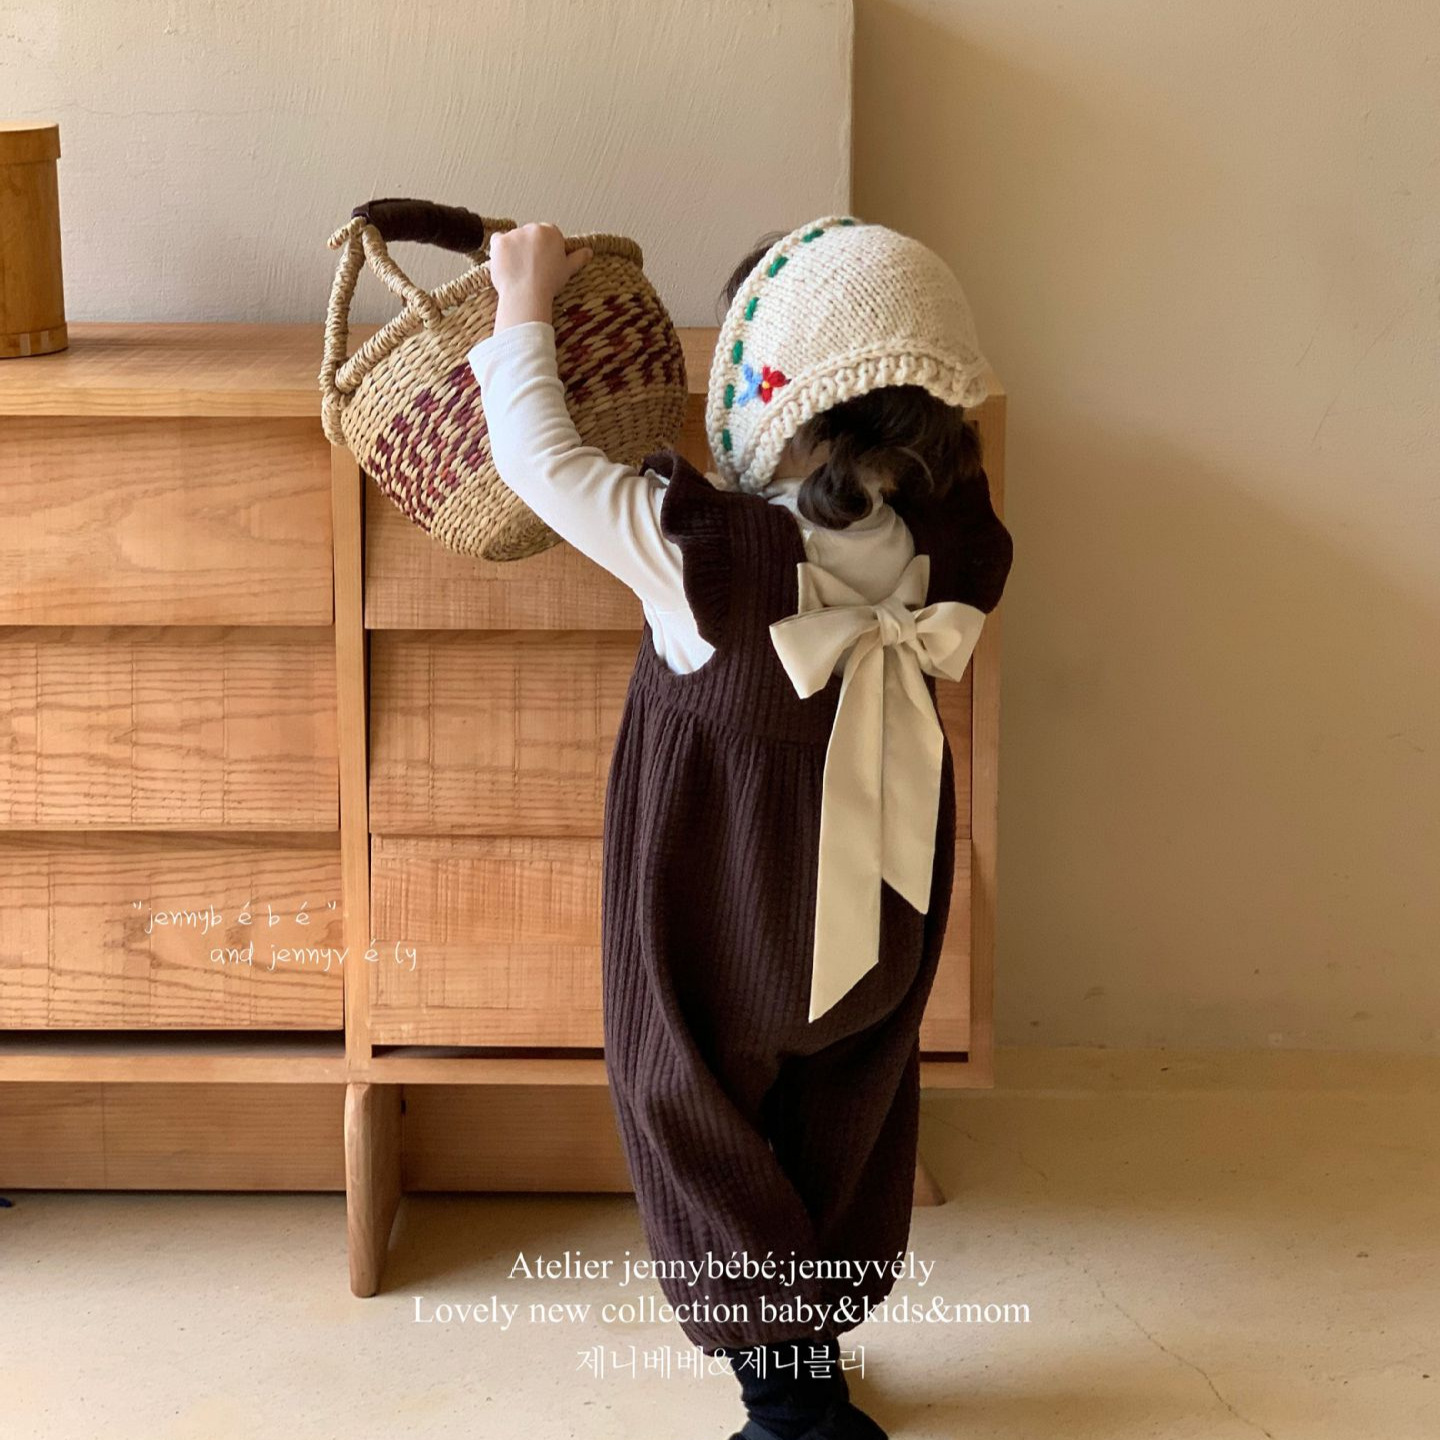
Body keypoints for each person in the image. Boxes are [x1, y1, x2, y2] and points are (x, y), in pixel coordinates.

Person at [468, 215, 1013, 1440]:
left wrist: (523, 301)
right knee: (848, 1104)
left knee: (689, 1099)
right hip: (880, 903)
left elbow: (540, 460)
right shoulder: (947, 543)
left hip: (727, 905)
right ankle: (815, 1345)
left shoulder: (705, 559)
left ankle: (789, 1404)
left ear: (772, 397)